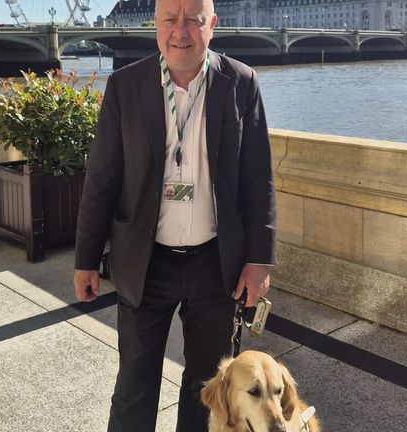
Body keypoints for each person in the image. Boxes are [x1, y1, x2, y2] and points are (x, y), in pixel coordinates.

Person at [72, 0, 276, 429]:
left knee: (207, 391)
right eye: (169, 19)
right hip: (145, 262)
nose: (180, 32)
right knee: (133, 386)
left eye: (193, 21)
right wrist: (86, 258)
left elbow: (259, 180)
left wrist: (258, 261)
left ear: (212, 26)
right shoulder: (125, 86)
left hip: (214, 262)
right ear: (156, 25)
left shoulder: (241, 83)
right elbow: (102, 177)